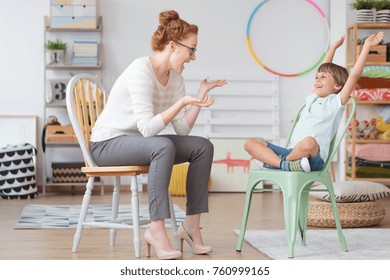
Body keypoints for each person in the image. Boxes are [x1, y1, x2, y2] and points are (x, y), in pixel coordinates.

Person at [90, 10, 227, 260]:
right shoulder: (140, 70)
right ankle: (156, 229)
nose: (193, 57)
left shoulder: (176, 79)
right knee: (162, 146)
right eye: (191, 50)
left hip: (140, 143)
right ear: (173, 46)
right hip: (107, 144)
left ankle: (191, 225)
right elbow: (147, 129)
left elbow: (182, 130)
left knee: (202, 147)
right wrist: (183, 101)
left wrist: (196, 97)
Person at [244, 32, 384, 172]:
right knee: (250, 143)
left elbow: (354, 75)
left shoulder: (336, 102)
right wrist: (333, 48)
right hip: (291, 153)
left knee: (308, 142)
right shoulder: (313, 98)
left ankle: (275, 163)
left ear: (337, 86)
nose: (317, 79)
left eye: (323, 77)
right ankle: (285, 165)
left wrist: (366, 46)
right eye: (317, 77)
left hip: (313, 157)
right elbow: (323, 67)